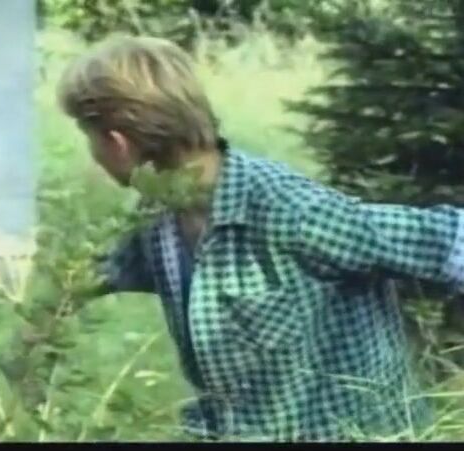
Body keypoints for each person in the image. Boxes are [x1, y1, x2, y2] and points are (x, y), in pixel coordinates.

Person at [55, 35, 463, 441]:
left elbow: (446, 239)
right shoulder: (158, 218)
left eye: (89, 136)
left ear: (118, 143)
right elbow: (92, 275)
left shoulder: (290, 211)